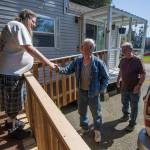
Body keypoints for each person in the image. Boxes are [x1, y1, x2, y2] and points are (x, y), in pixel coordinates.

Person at [0, 9, 55, 139]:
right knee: (14, 104)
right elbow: (30, 49)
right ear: (27, 17)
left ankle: (9, 122)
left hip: (9, 72)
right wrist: (49, 63)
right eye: (33, 21)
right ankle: (14, 130)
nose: (34, 25)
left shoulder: (12, 26)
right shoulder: (18, 26)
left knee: (11, 103)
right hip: (11, 74)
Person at [55, 38, 109, 142]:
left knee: (96, 114)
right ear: (82, 48)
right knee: (82, 112)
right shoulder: (78, 61)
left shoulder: (98, 62)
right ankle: (85, 128)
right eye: (84, 46)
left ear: (92, 49)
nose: (85, 48)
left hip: (94, 93)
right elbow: (68, 70)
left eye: (89, 47)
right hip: (82, 91)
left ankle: (97, 131)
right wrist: (58, 70)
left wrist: (100, 90)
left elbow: (106, 78)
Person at [117, 42, 146, 132]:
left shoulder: (137, 60)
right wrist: (118, 80)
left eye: (125, 49)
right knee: (124, 103)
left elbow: (143, 74)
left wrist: (139, 85)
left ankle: (132, 123)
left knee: (134, 106)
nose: (123, 51)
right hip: (124, 87)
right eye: (122, 50)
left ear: (131, 49)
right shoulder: (122, 60)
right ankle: (125, 115)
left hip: (134, 88)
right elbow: (121, 71)